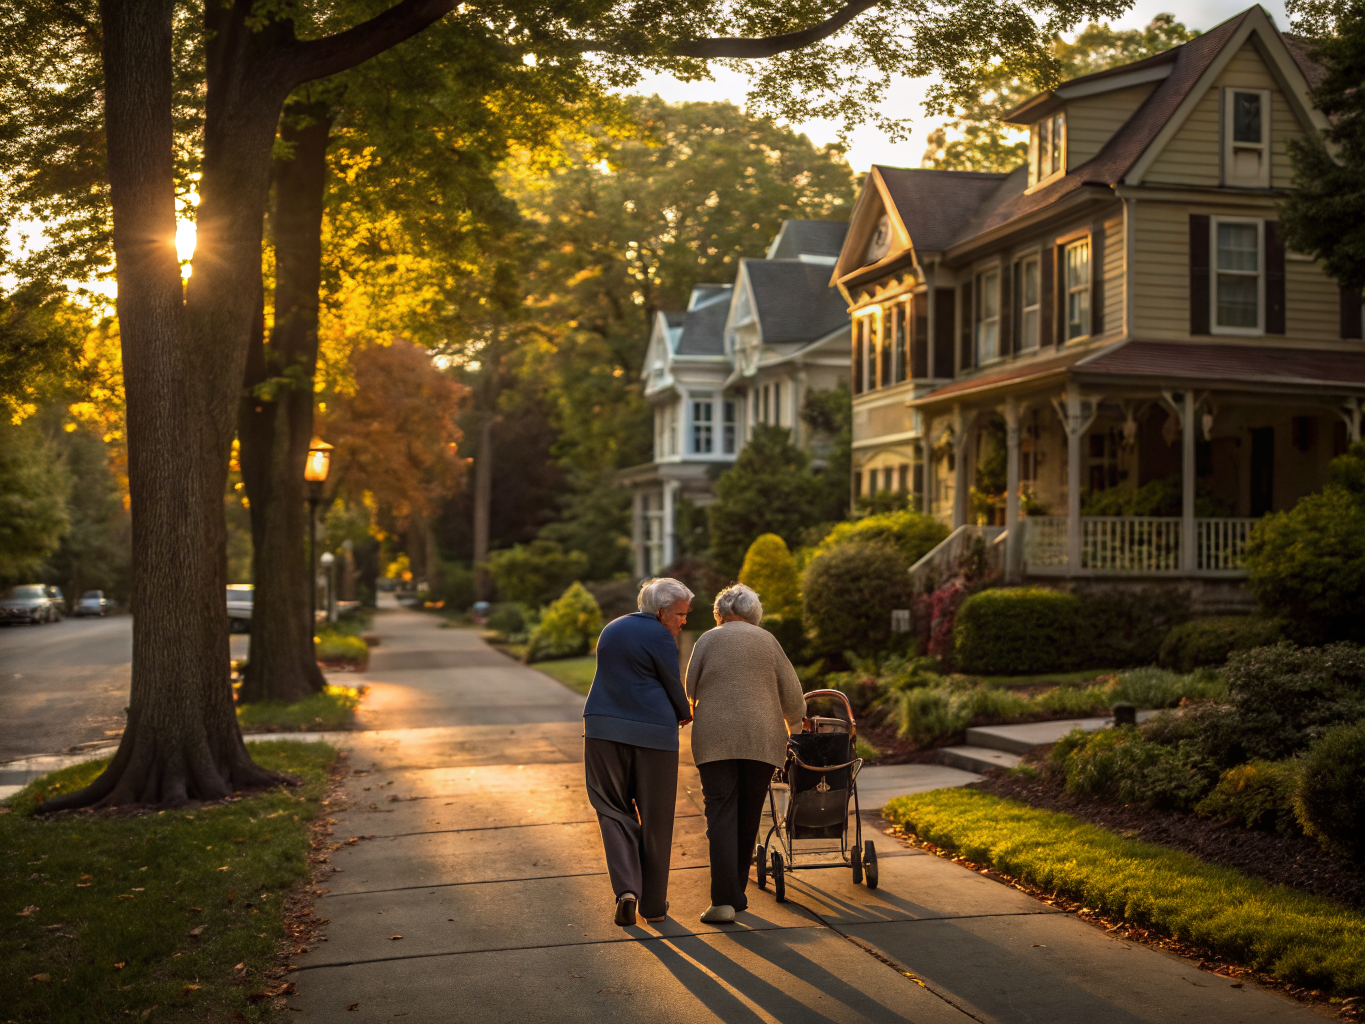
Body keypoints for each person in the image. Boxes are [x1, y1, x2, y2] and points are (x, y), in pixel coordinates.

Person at [685, 583, 804, 923]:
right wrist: (795, 724)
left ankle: (724, 900)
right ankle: (735, 894)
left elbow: (689, 690)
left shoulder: (707, 639)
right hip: (762, 738)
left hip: (714, 739)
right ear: (754, 614)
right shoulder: (768, 641)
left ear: (719, 613)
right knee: (749, 814)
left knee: (720, 815)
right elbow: (793, 695)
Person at [583, 576, 694, 927]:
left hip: (602, 729)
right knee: (656, 818)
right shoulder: (659, 635)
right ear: (661, 612)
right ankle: (654, 907)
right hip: (653, 736)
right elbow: (671, 679)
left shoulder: (612, 629)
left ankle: (627, 891)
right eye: (679, 614)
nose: (683, 621)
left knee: (612, 810)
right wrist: (685, 712)